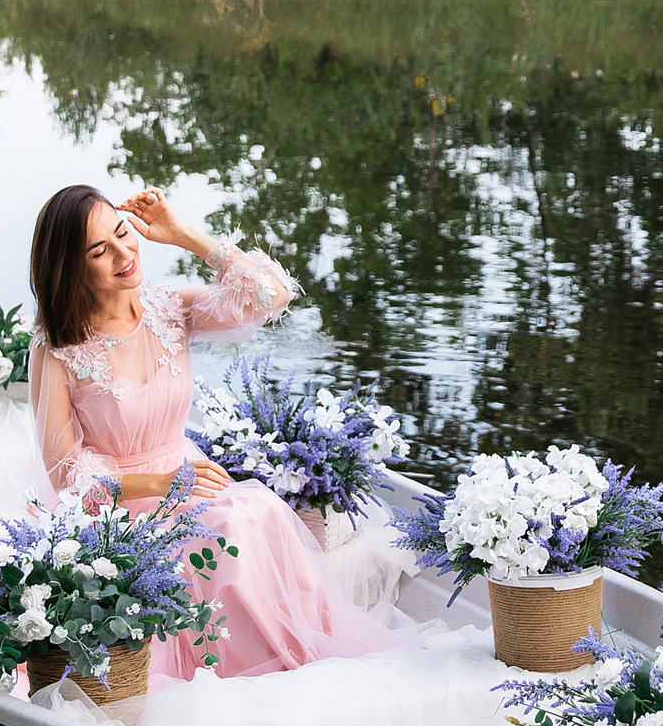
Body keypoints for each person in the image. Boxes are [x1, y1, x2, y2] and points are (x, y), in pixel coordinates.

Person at [26, 183, 402, 683]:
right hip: (120, 512)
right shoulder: (57, 347)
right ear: (71, 268)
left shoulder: (168, 309)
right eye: (100, 251)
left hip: (191, 482)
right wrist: (160, 484)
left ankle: (288, 671)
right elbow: (64, 478)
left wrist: (184, 235)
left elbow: (273, 294)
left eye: (123, 234)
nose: (123, 254)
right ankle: (235, 679)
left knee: (261, 512)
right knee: (231, 529)